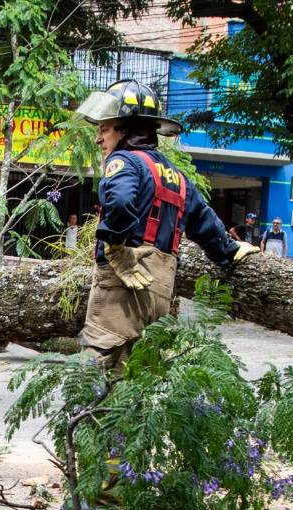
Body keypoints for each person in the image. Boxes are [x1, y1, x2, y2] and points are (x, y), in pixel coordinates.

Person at [74, 79, 260, 371]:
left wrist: (115, 247)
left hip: (123, 285)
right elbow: (203, 220)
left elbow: (121, 203)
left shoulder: (123, 161)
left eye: (104, 129)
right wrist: (230, 249)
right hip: (159, 292)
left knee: (98, 374)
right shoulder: (176, 175)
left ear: (126, 128)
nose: (98, 138)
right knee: (142, 376)